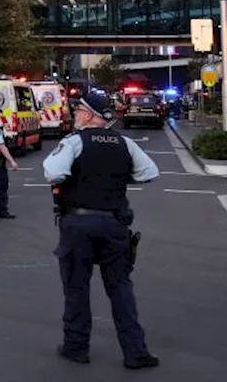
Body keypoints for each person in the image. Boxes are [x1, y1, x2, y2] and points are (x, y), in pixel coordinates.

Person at [44, 98, 161, 369]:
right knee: (120, 288)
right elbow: (150, 173)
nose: (75, 114)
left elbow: (54, 171)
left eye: (78, 111)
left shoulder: (75, 142)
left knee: (77, 287)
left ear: (88, 115)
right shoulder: (124, 143)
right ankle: (136, 352)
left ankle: (76, 347)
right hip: (114, 224)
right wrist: (117, 177)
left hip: (78, 224)